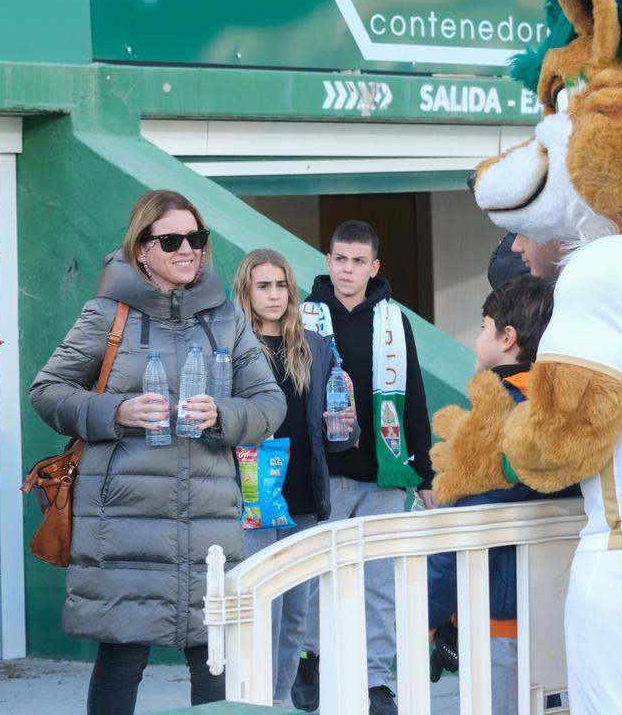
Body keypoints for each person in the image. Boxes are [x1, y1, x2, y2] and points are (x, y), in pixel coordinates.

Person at [30, 190, 286, 715]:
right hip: (123, 521)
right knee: (122, 658)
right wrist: (114, 412)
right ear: (141, 249)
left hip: (209, 521)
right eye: (171, 240)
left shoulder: (227, 318)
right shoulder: (106, 313)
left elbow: (269, 402)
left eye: (196, 238)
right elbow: (48, 390)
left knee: (214, 661)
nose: (188, 249)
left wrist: (224, 415)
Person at [295, 220, 435, 715]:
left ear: (374, 267)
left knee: (379, 584)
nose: (347, 269)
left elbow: (413, 397)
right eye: (339, 259)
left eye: (358, 261)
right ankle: (310, 657)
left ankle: (376, 679)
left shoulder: (396, 322)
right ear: (328, 261)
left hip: (383, 474)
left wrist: (426, 474)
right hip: (323, 473)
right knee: (313, 575)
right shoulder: (302, 318)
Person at [426, 275, 576, 713]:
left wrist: (430, 613)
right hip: (561, 604)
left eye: (482, 327)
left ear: (507, 337)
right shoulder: (566, 408)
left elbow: (463, 523)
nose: (477, 338)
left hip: (500, 618)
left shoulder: (499, 414)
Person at [231, 248, 359, 707]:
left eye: (281, 285)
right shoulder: (230, 347)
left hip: (304, 498)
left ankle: (281, 702)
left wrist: (347, 424)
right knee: (258, 614)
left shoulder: (315, 346)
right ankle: (252, 703)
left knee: (294, 618)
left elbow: (338, 435)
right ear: (246, 290)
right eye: (263, 286)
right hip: (250, 501)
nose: (274, 294)